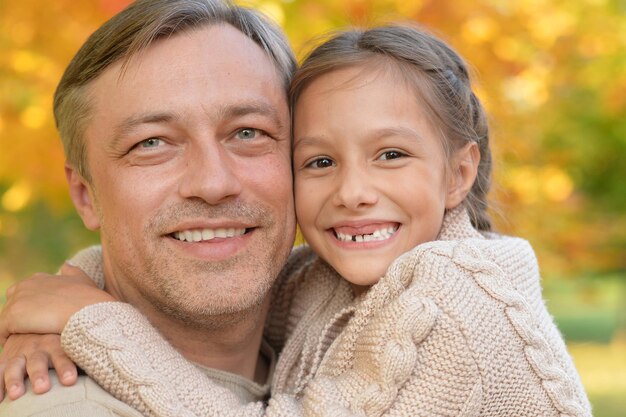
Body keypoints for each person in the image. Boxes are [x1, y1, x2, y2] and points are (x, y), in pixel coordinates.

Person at [0, 20, 593, 417]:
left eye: (249, 133)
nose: (354, 191)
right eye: (320, 161)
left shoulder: (450, 307)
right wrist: (69, 290)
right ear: (86, 196)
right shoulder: (331, 279)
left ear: (460, 173)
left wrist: (93, 321)